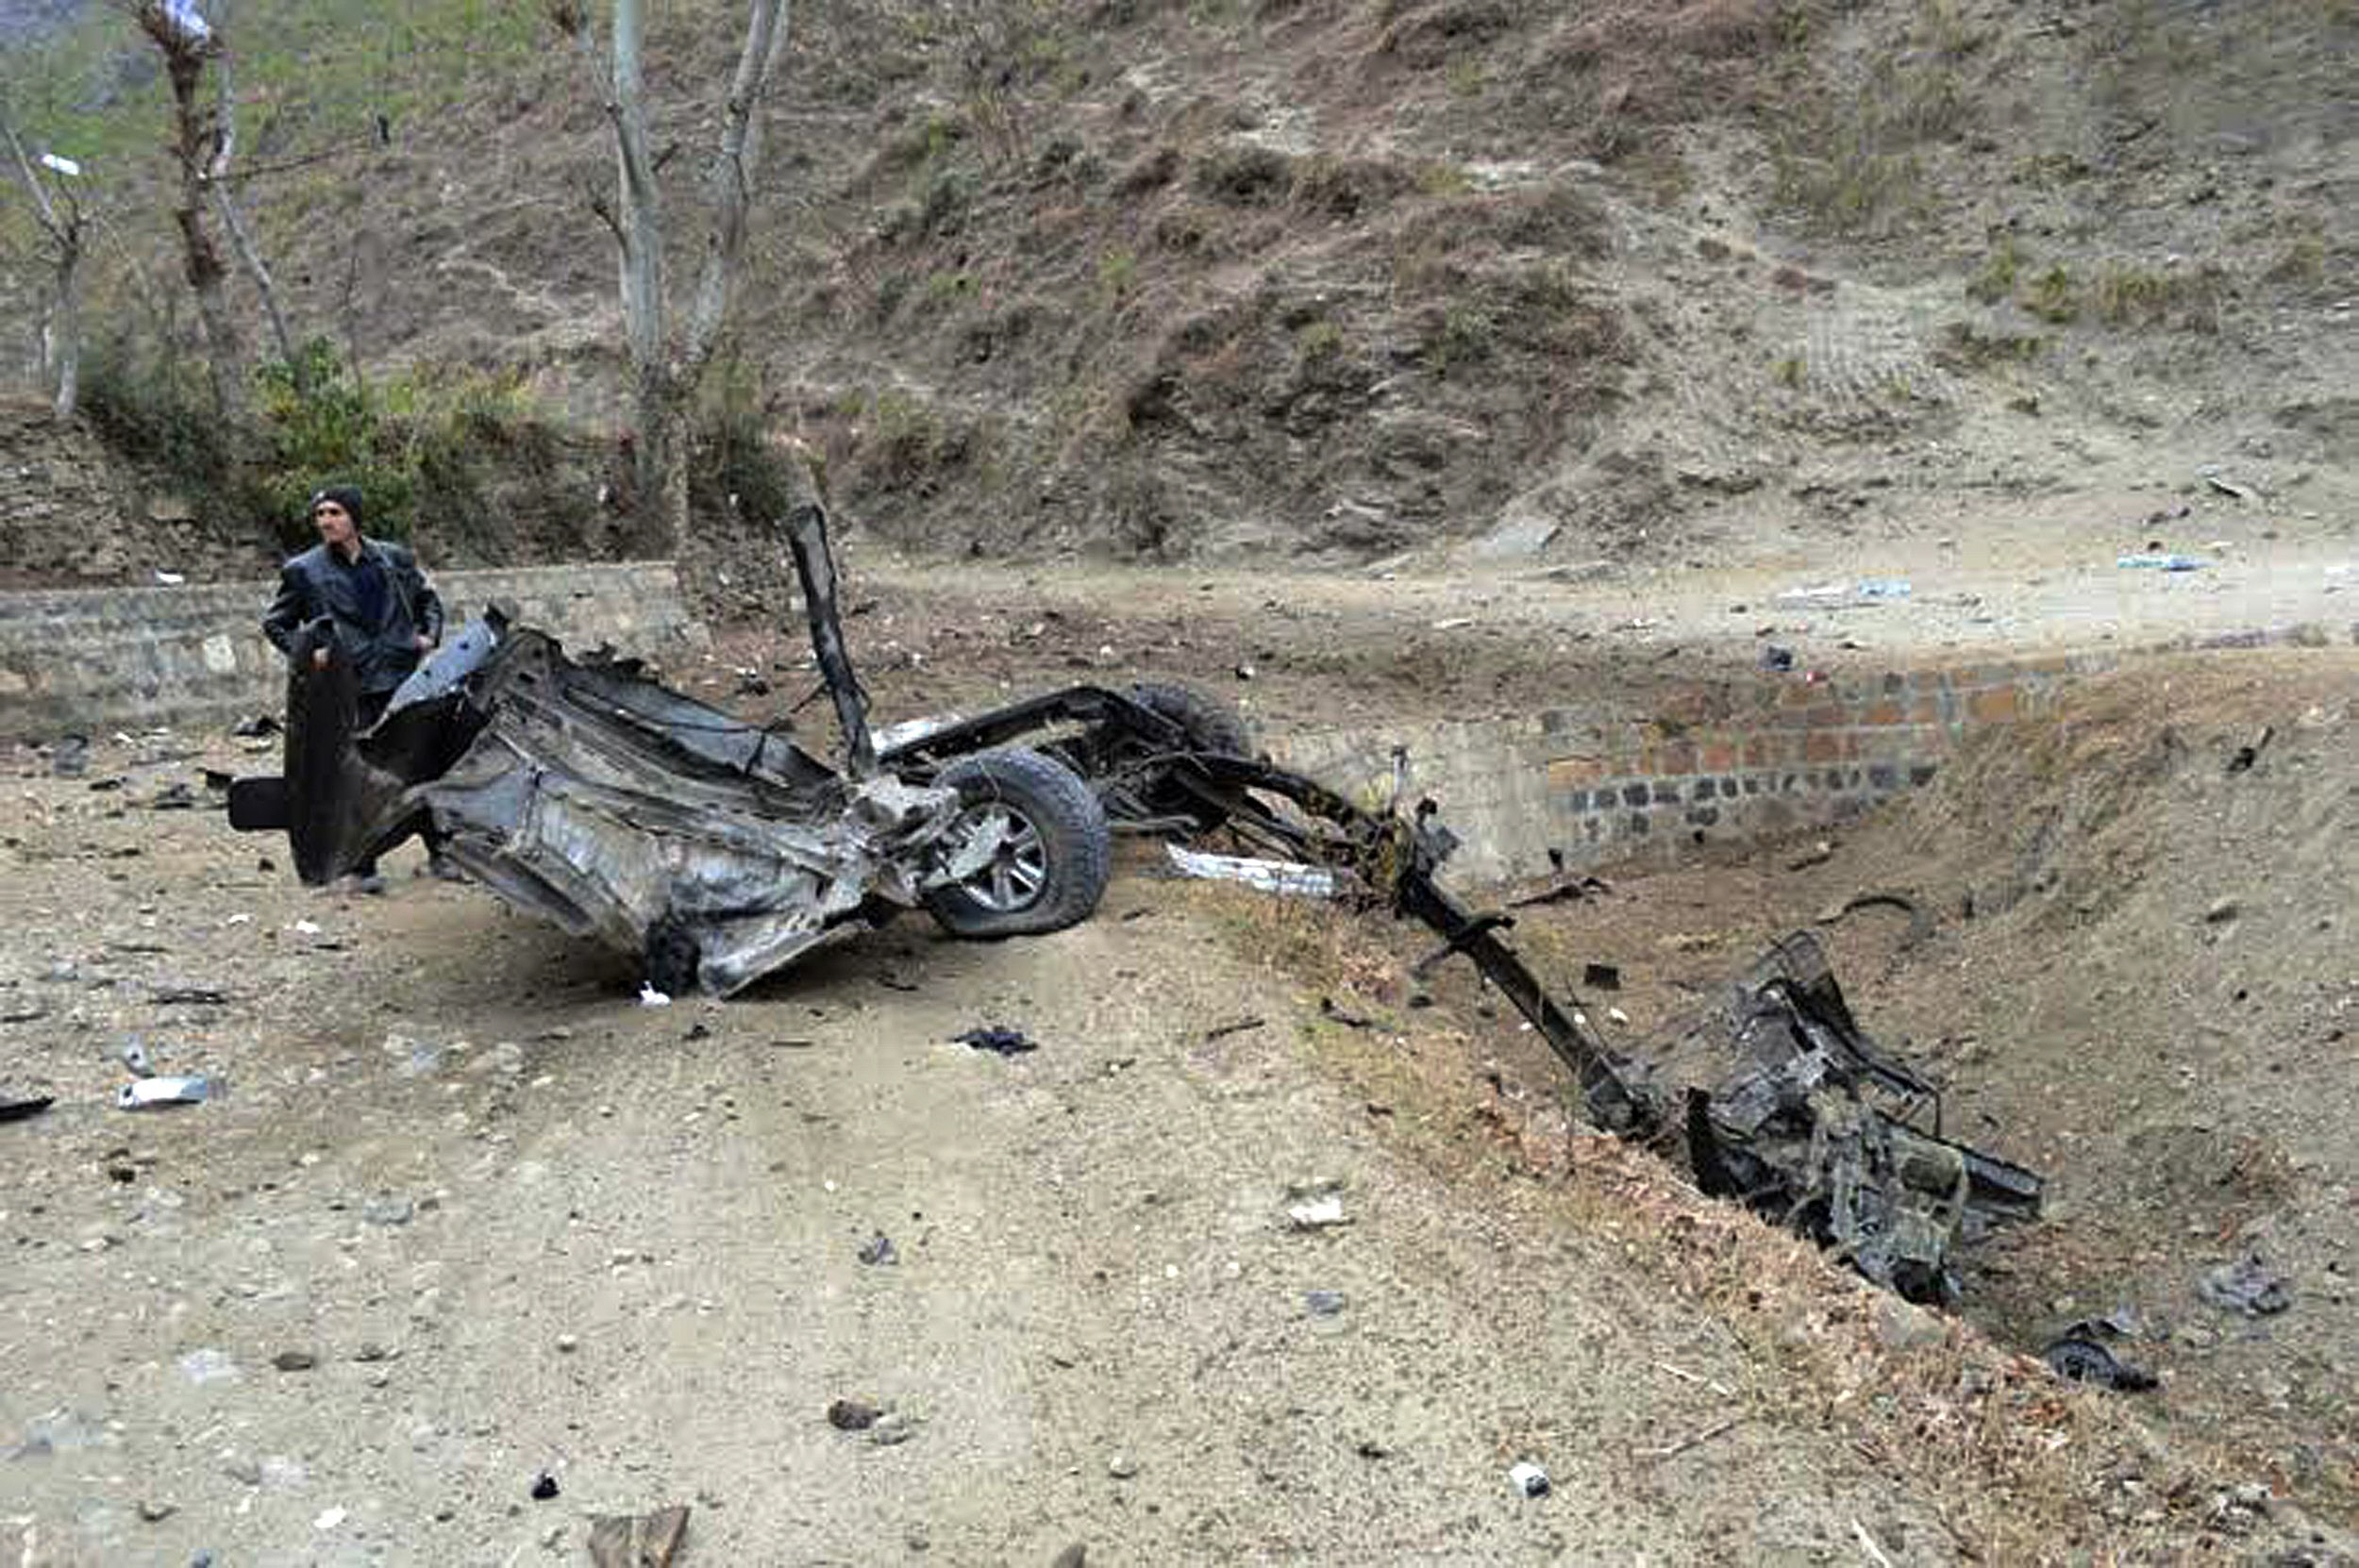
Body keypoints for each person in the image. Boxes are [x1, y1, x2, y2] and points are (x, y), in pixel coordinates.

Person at [260, 484, 449, 891]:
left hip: (401, 677)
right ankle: (362, 864)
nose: (326, 521)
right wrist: (309, 651)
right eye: (320, 515)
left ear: (354, 518)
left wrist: (428, 635)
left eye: (335, 513)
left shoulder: (393, 559)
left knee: (424, 763)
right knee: (361, 772)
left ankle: (441, 851)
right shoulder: (304, 571)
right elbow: (276, 624)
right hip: (349, 686)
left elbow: (428, 601)